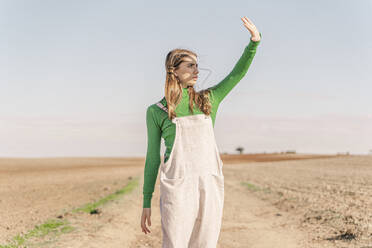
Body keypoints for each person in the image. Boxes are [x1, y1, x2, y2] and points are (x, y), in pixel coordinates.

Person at [140, 16, 261, 247]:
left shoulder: (208, 100)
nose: (197, 70)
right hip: (177, 186)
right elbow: (153, 158)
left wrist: (254, 42)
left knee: (205, 243)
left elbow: (237, 75)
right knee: (175, 243)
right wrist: (146, 201)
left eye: (197, 65)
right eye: (190, 65)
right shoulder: (156, 111)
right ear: (173, 71)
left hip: (209, 183)